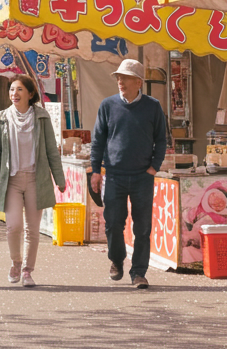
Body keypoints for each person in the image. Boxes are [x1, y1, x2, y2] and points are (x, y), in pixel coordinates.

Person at [90, 58, 168, 289]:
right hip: (114, 174)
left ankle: (139, 272)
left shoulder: (153, 106)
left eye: (124, 77)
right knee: (113, 223)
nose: (120, 81)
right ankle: (116, 259)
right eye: (118, 77)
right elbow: (98, 140)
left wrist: (155, 166)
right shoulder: (108, 105)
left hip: (143, 176)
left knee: (142, 227)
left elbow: (161, 139)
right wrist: (96, 170)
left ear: (138, 82)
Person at [0, 75, 66, 288]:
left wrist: (59, 178)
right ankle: (15, 262)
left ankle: (27, 271)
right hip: (11, 180)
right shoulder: (2, 117)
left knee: (33, 229)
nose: (14, 94)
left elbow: (51, 150)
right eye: (12, 89)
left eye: (19, 89)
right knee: (13, 226)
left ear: (30, 94)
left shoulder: (41, 117)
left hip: (35, 179)